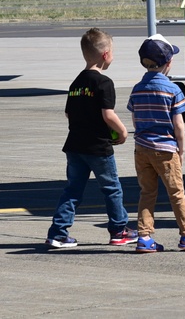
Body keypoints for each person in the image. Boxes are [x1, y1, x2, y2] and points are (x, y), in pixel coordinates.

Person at [45, 28, 136, 248]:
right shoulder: (104, 83)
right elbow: (108, 115)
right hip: (97, 147)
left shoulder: (76, 82)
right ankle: (118, 230)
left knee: (73, 190)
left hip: (75, 145)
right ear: (106, 55)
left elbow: (69, 113)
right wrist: (123, 132)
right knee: (112, 188)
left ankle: (57, 232)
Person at [127, 34, 185, 253]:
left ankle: (144, 237)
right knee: (177, 193)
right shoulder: (173, 90)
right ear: (168, 63)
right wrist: (181, 149)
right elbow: (179, 125)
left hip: (142, 148)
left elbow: (135, 119)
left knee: (147, 193)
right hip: (166, 149)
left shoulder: (137, 89)